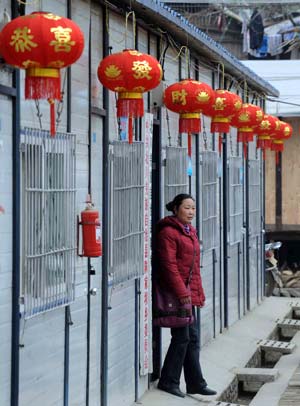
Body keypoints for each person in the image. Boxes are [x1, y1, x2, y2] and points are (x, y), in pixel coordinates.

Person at [153, 193, 216, 398]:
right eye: (187, 207)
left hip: (187, 292)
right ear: (176, 209)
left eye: (193, 208)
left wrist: (198, 294)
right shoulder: (168, 232)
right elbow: (169, 266)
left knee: (192, 338)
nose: (191, 212)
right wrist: (182, 293)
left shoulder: (190, 231)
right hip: (175, 292)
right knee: (182, 337)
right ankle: (168, 381)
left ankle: (196, 383)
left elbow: (193, 268)